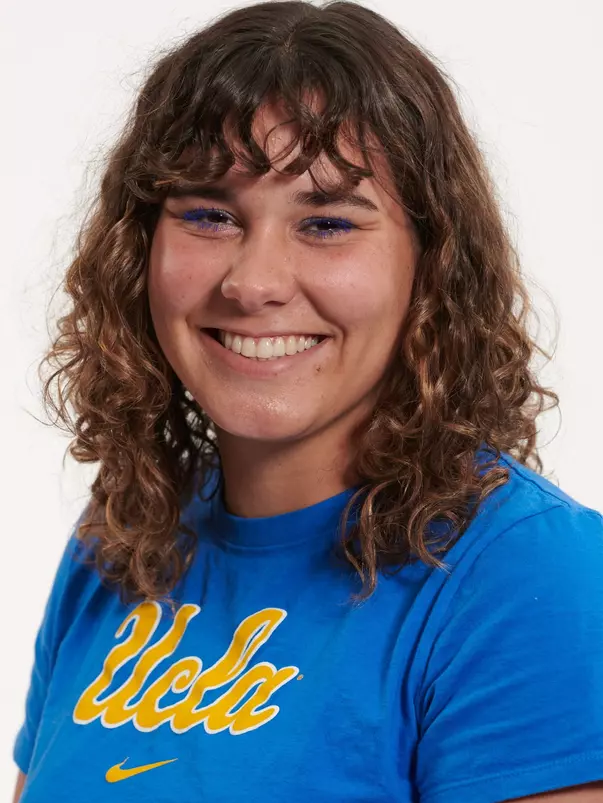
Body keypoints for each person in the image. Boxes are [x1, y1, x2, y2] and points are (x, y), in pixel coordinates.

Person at [11, 1, 603, 801]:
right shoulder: (115, 543)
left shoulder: (529, 576)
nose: (253, 282)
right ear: (138, 247)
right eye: (210, 214)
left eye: (325, 222)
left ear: (430, 269)